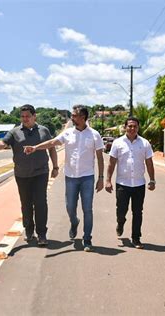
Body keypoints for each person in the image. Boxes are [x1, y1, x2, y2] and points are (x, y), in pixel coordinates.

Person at [24, 105, 104, 252]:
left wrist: (101, 178)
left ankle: (87, 239)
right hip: (71, 177)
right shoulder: (68, 133)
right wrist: (35, 147)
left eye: (74, 115)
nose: (72, 118)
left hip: (87, 177)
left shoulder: (94, 135)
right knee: (70, 207)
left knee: (88, 209)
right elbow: (52, 142)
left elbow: (100, 157)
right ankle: (74, 222)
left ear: (83, 117)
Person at [0, 104, 59, 246]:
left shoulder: (44, 131)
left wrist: (55, 166)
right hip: (22, 174)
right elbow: (4, 143)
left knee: (40, 203)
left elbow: (52, 149)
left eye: (27, 116)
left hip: (40, 173)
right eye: (22, 116)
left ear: (34, 116)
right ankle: (29, 230)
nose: (25, 119)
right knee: (26, 204)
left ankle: (42, 233)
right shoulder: (14, 132)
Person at [105, 117, 156, 249]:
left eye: (135, 126)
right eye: (130, 126)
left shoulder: (144, 143)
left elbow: (149, 163)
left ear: (138, 128)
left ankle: (136, 238)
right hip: (122, 183)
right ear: (125, 127)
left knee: (138, 212)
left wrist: (152, 180)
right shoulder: (118, 143)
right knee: (121, 211)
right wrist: (108, 180)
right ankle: (120, 222)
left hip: (139, 184)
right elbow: (111, 163)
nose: (132, 128)